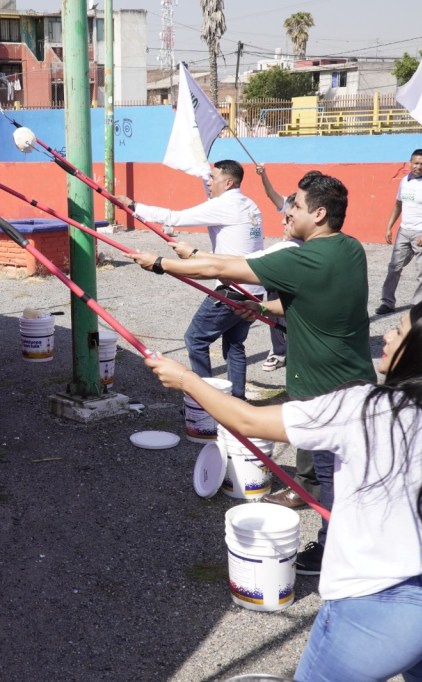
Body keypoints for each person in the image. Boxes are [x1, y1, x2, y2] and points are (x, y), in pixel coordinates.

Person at [144, 299, 422, 681]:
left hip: (375, 612)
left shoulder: (365, 408)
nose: (386, 337)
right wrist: (415, 549)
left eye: (399, 331)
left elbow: (248, 420)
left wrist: (187, 380)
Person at [128, 171, 375, 574]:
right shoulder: (349, 249)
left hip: (324, 391)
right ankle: (336, 533)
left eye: (295, 205)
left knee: (334, 478)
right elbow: (313, 300)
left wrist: (160, 264)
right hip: (355, 381)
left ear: (319, 213)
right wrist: (262, 307)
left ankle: (335, 553)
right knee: (337, 471)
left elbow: (223, 267)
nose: (287, 212)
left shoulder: (303, 258)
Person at [118, 160, 263, 398]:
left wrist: (134, 206)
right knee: (234, 344)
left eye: (213, 178)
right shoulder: (249, 204)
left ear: (228, 183)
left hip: (233, 289)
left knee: (195, 339)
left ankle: (206, 401)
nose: (209, 182)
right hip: (254, 289)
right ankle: (237, 399)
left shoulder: (225, 204)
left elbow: (174, 217)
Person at [376, 149, 422, 315]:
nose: (418, 167)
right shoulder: (405, 181)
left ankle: (417, 306)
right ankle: (387, 302)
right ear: (410, 163)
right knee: (394, 267)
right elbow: (398, 205)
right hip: (404, 231)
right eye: (416, 163)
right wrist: (389, 226)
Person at [254, 164, 302, 371]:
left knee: (294, 310)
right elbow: (271, 194)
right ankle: (279, 351)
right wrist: (263, 175)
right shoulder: (291, 204)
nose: (284, 222)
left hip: (294, 268)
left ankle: (297, 352)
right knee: (274, 307)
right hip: (281, 268)